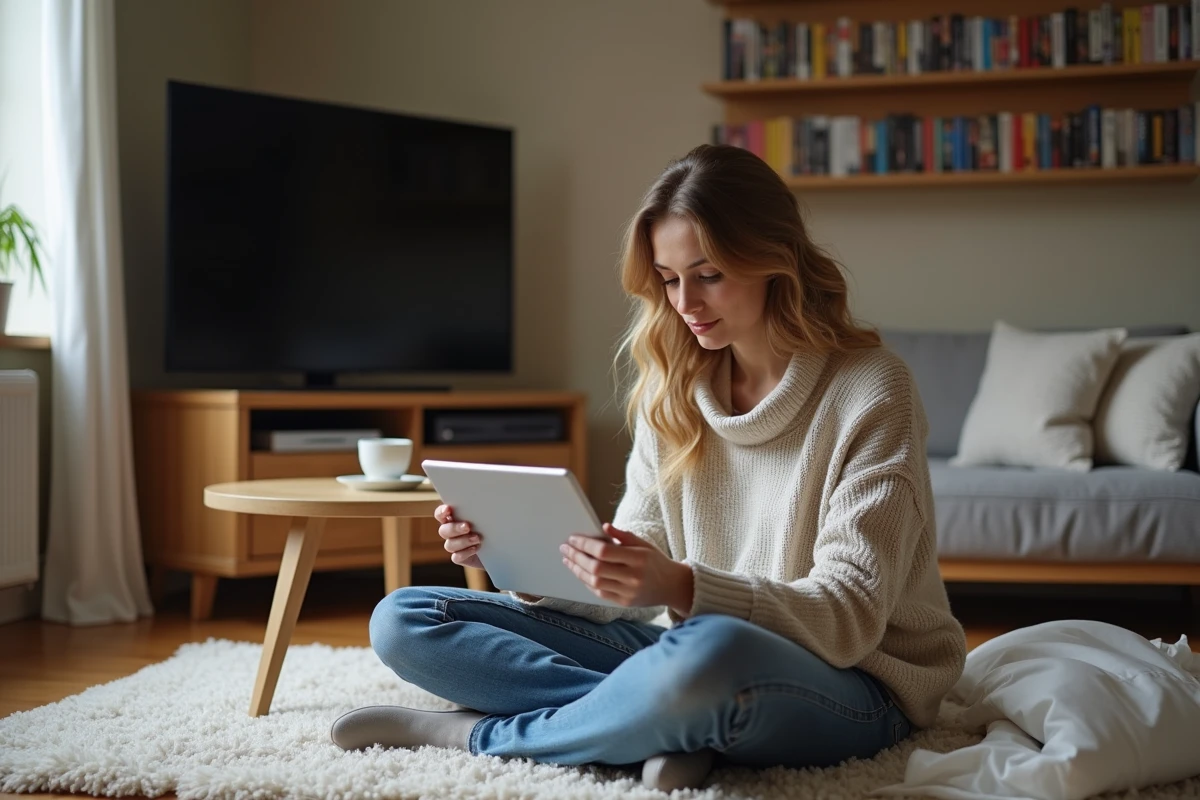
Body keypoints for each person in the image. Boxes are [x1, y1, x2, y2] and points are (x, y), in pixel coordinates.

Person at [330, 143, 967, 792]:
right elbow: (635, 574)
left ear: (774, 259)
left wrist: (682, 587)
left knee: (706, 655)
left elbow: (849, 617)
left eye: (709, 273)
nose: (684, 301)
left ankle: (478, 733)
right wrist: (529, 560)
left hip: (857, 684)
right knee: (408, 618)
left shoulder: (871, 388)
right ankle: (662, 721)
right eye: (667, 277)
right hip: (691, 659)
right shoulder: (677, 389)